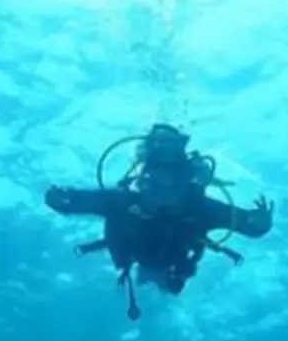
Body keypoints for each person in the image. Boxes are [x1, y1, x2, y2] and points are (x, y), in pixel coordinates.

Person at [44, 124, 275, 319]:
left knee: (167, 290)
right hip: (142, 257)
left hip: (172, 264)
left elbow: (251, 227)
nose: (166, 186)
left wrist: (259, 223)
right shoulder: (121, 201)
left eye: (174, 177)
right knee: (157, 286)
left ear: (188, 177)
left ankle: (163, 294)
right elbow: (72, 203)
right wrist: (60, 199)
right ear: (144, 173)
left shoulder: (201, 208)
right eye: (158, 175)